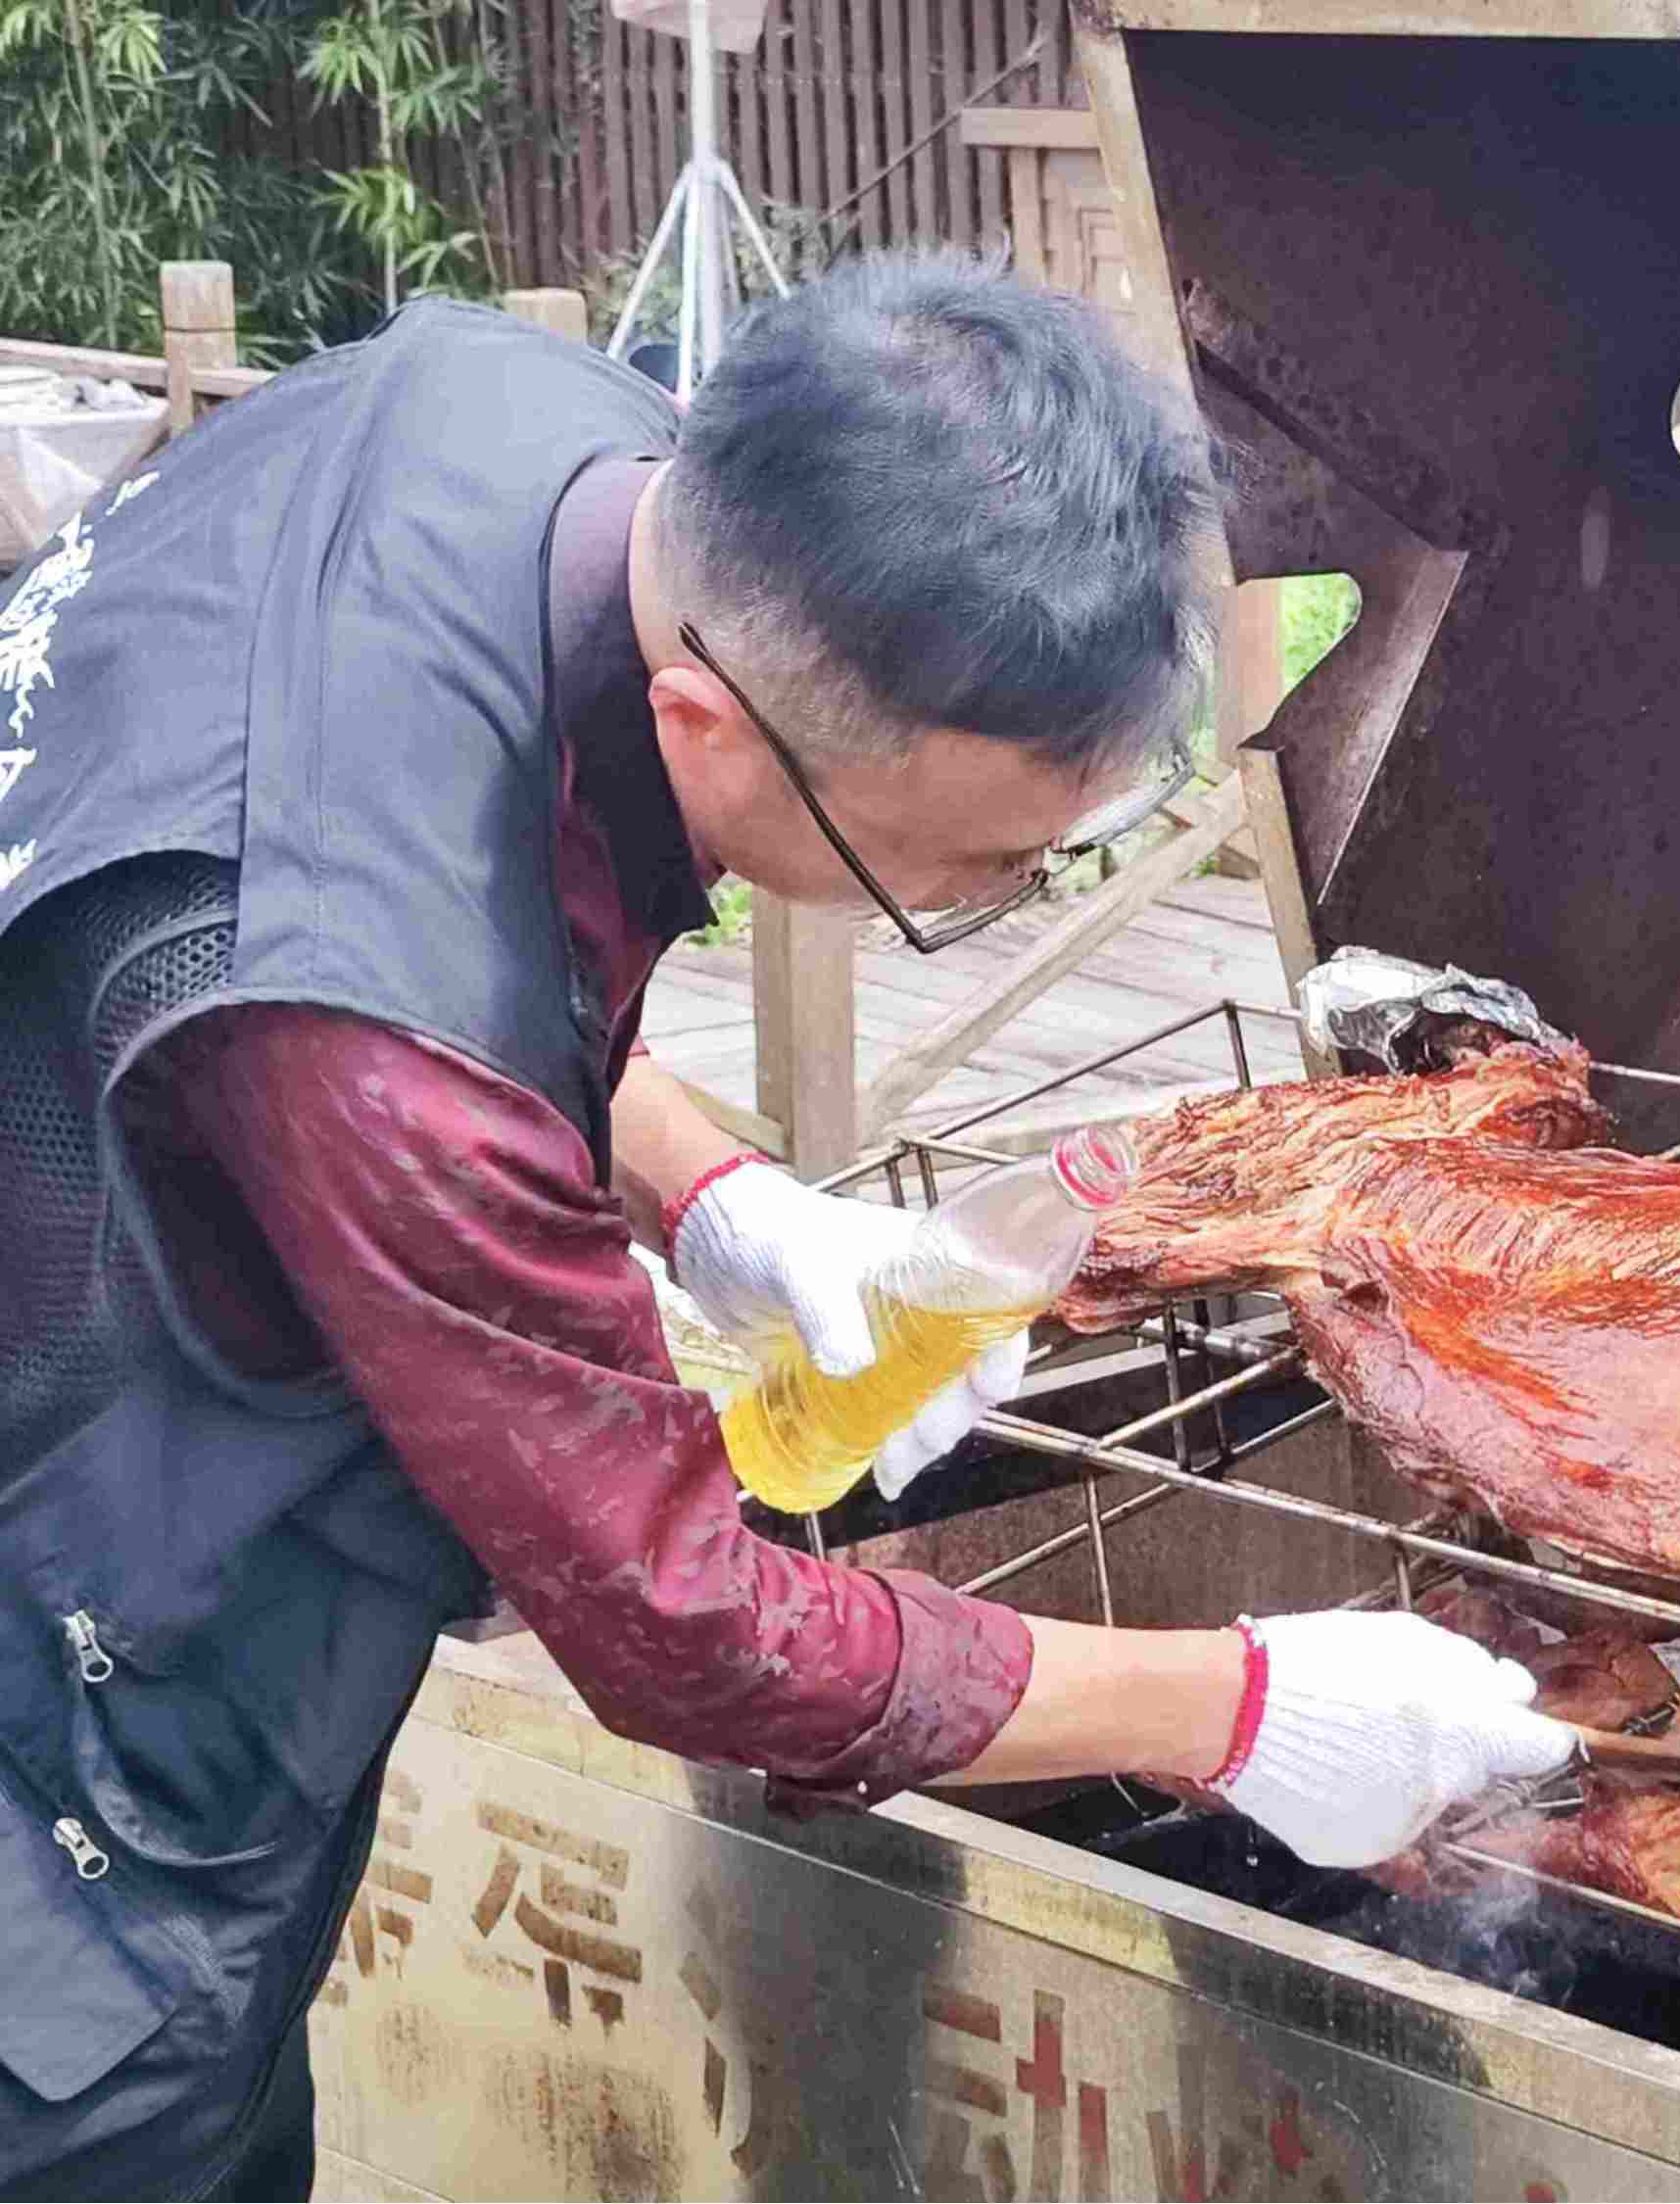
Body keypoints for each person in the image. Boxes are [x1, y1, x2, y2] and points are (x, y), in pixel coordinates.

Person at [0, 252, 1572, 2201]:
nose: (1008, 892)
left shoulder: (519, 426)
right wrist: (1237, 1711)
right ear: (708, 724)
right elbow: (680, 1630)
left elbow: (442, 912)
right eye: (981, 869)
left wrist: (721, 1195)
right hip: (63, 1748)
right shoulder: (373, 1026)